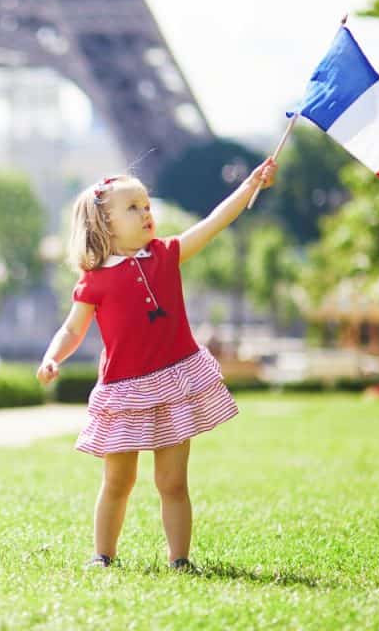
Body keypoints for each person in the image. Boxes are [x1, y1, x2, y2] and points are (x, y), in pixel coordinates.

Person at [37, 158, 277, 571]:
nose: (146, 213)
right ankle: (103, 555)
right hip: (125, 389)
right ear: (104, 223)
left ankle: (180, 560)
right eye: (132, 207)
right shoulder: (94, 280)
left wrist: (251, 184)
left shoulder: (166, 255)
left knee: (172, 482)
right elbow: (72, 330)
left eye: (147, 205)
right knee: (118, 481)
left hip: (173, 383)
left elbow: (215, 222)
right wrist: (52, 357)